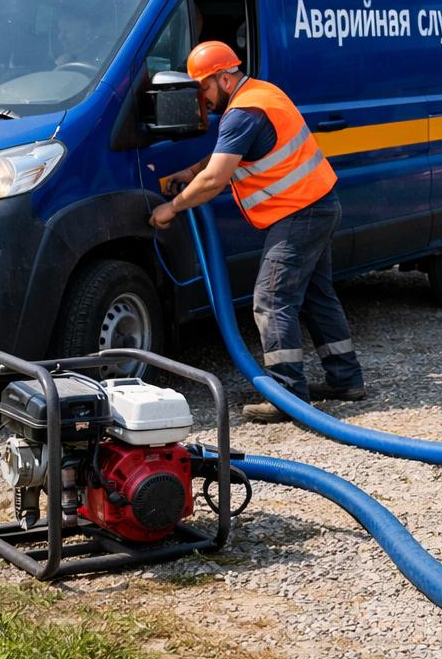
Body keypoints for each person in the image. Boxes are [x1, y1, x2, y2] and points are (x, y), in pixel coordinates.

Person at [149, 40, 366, 423]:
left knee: (271, 299)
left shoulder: (242, 112)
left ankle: (287, 395)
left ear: (224, 77)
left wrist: (173, 206)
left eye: (204, 87)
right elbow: (227, 155)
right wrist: (189, 173)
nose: (202, 97)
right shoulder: (261, 94)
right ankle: (346, 379)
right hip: (319, 204)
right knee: (317, 295)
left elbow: (217, 177)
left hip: (299, 212)